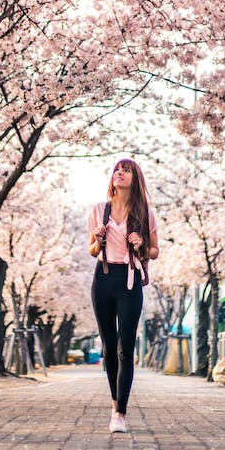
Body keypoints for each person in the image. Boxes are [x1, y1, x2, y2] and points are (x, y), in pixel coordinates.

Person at [88, 158, 159, 433]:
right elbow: (92, 250)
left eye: (126, 170)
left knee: (125, 349)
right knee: (108, 347)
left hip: (129, 281)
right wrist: (97, 238)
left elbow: (155, 251)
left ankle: (120, 413)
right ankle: (115, 399)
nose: (120, 173)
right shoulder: (98, 210)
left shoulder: (144, 213)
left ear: (135, 178)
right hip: (103, 278)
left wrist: (142, 245)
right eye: (117, 170)